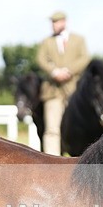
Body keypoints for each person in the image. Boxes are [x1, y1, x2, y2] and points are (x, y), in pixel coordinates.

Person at [36, 11, 90, 156]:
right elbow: (41, 59)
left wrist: (69, 71)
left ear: (64, 22)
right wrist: (54, 72)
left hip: (74, 90)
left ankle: (79, 158)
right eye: (52, 22)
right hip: (53, 91)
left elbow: (84, 58)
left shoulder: (79, 40)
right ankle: (51, 161)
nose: (53, 25)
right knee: (52, 129)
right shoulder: (46, 42)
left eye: (56, 22)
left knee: (77, 126)